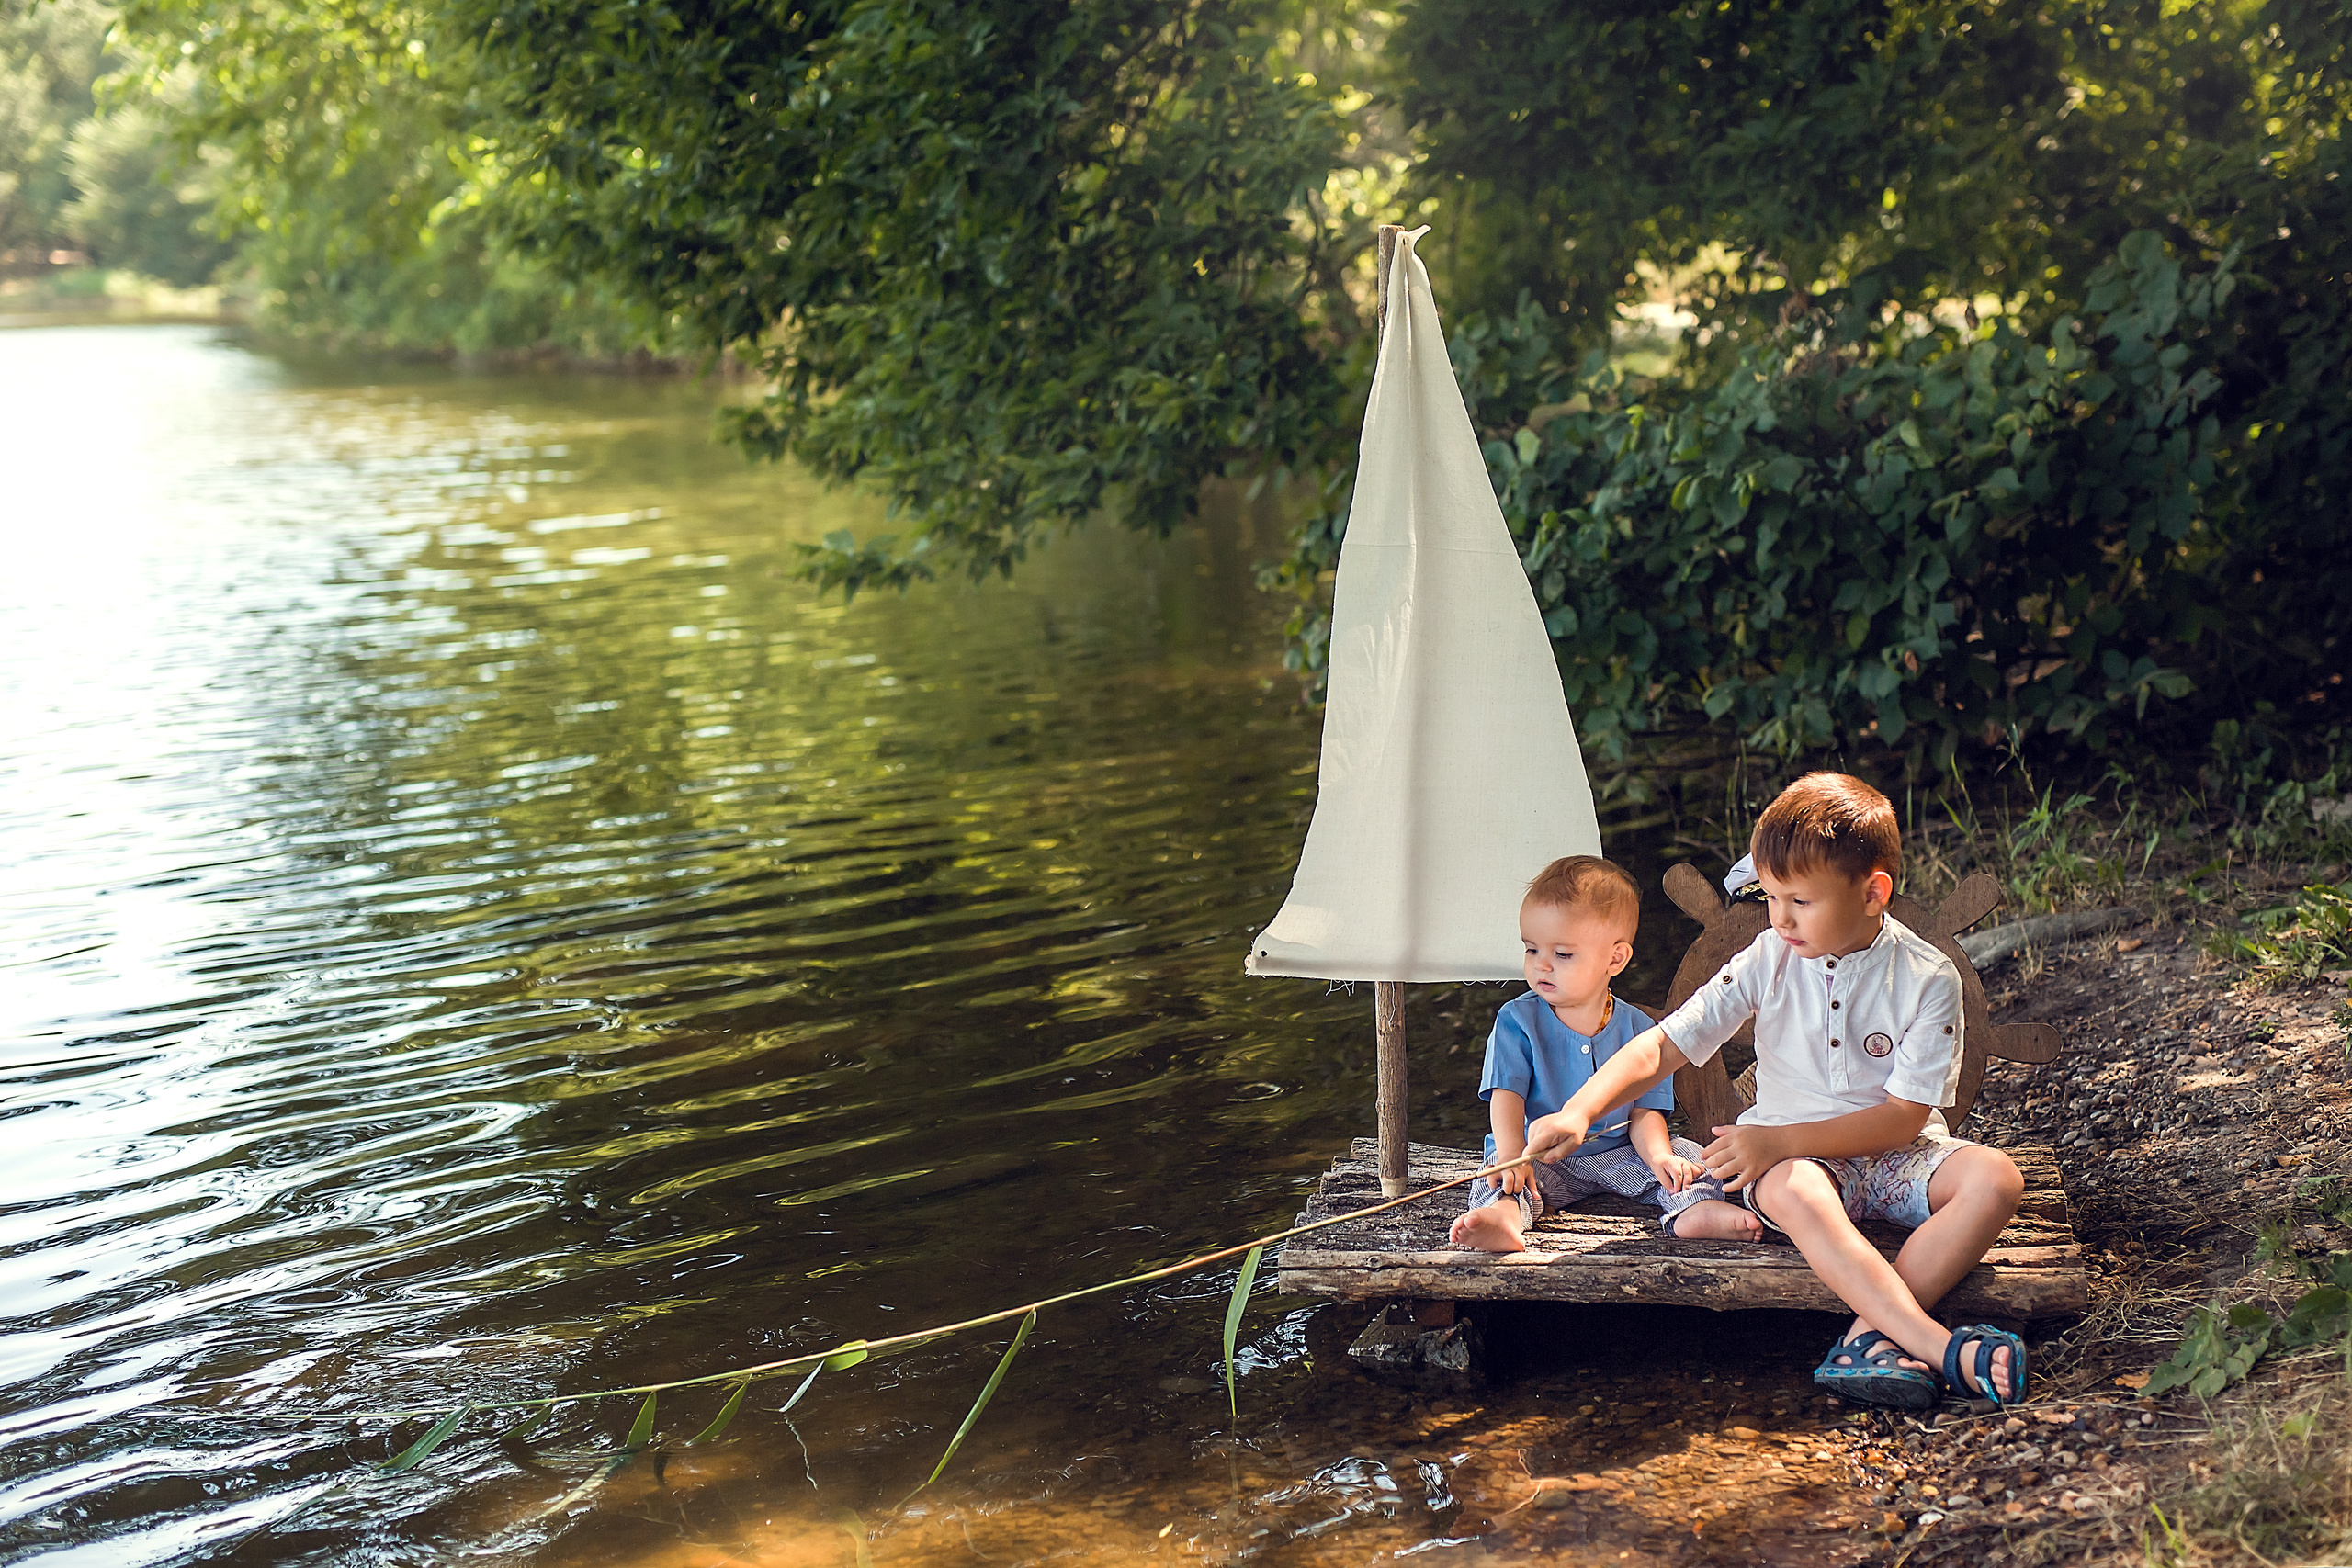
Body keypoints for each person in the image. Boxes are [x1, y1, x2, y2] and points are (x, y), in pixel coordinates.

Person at [1524, 774, 2029, 1409]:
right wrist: (1580, 1108)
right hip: (1797, 1166)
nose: (1780, 917)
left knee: (1998, 1178)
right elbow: (1666, 1043)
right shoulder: (1768, 957)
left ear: (1874, 893)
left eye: (1801, 901)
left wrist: (1775, 1138)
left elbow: (1903, 1119)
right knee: (1796, 1187)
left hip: (1894, 1154)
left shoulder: (1927, 976)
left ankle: (1869, 1339)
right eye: (1771, 896)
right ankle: (1939, 1344)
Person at [1449, 855, 1762, 1253]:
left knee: (1692, 1158)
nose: (1541, 965)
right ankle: (1504, 1218)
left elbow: (1645, 1112)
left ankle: (1693, 1210)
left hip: (1621, 1157)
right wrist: (1513, 1154)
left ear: (1615, 958)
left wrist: (1661, 1156)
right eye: (1531, 950)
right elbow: (1506, 1096)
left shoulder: (1640, 1029)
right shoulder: (1517, 1020)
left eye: (1562, 955)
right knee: (1498, 1176)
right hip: (1543, 1158)